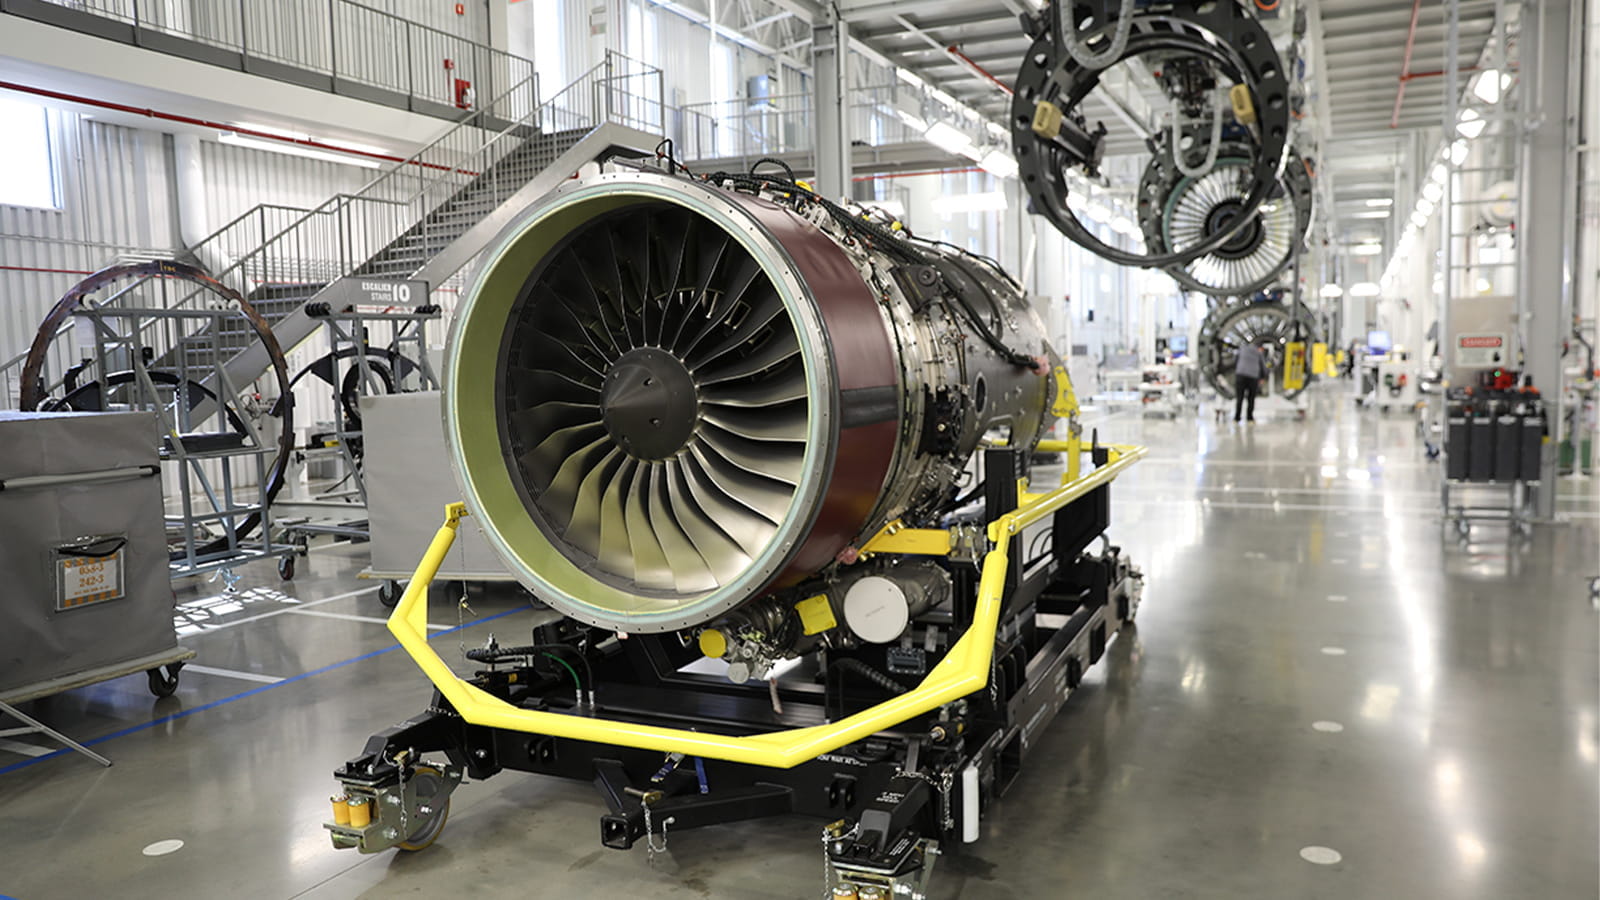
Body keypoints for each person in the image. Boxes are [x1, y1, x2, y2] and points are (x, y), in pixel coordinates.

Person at [1233, 340, 1267, 423]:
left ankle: (1236, 418)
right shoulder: (1259, 352)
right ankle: (1249, 418)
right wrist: (1263, 377)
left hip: (1240, 375)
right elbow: (1263, 366)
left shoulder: (1242, 348)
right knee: (1251, 398)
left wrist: (1238, 369)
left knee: (1239, 397)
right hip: (1253, 376)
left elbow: (1235, 359)